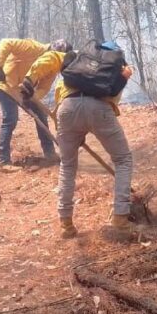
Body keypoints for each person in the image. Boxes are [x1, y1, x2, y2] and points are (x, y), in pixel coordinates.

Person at [54, 40, 135, 239]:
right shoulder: (116, 68)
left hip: (67, 109)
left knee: (67, 165)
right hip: (99, 109)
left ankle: (66, 222)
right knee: (123, 159)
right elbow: (112, 98)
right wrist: (124, 78)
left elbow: (60, 94)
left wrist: (75, 131)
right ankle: (120, 216)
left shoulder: (77, 63)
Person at [0, 38, 69, 172]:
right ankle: (4, 162)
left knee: (41, 116)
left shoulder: (54, 65)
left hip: (24, 92)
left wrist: (33, 97)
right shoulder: (31, 47)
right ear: (51, 52)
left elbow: (44, 87)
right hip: (6, 86)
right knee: (10, 119)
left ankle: (50, 154)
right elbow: (6, 43)